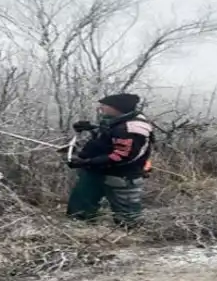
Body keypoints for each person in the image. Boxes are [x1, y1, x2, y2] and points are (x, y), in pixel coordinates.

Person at [65, 93, 154, 226]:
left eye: (104, 105)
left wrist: (86, 162)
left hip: (121, 176)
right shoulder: (118, 120)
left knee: (128, 217)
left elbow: (122, 156)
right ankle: (78, 227)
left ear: (117, 108)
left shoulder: (131, 129)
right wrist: (92, 128)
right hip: (97, 171)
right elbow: (110, 138)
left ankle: (130, 239)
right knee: (80, 208)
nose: (101, 108)